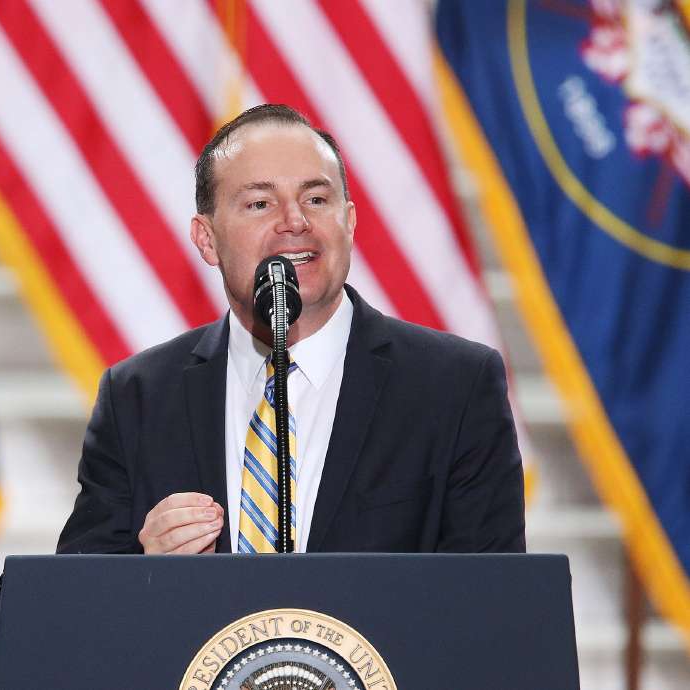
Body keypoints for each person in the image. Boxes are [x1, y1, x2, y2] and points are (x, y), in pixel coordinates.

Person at [57, 104, 524, 556]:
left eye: (316, 199)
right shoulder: (137, 398)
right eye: (260, 203)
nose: (295, 222)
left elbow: (491, 596)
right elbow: (74, 597)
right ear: (207, 239)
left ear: (349, 222)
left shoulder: (455, 387)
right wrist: (146, 573)